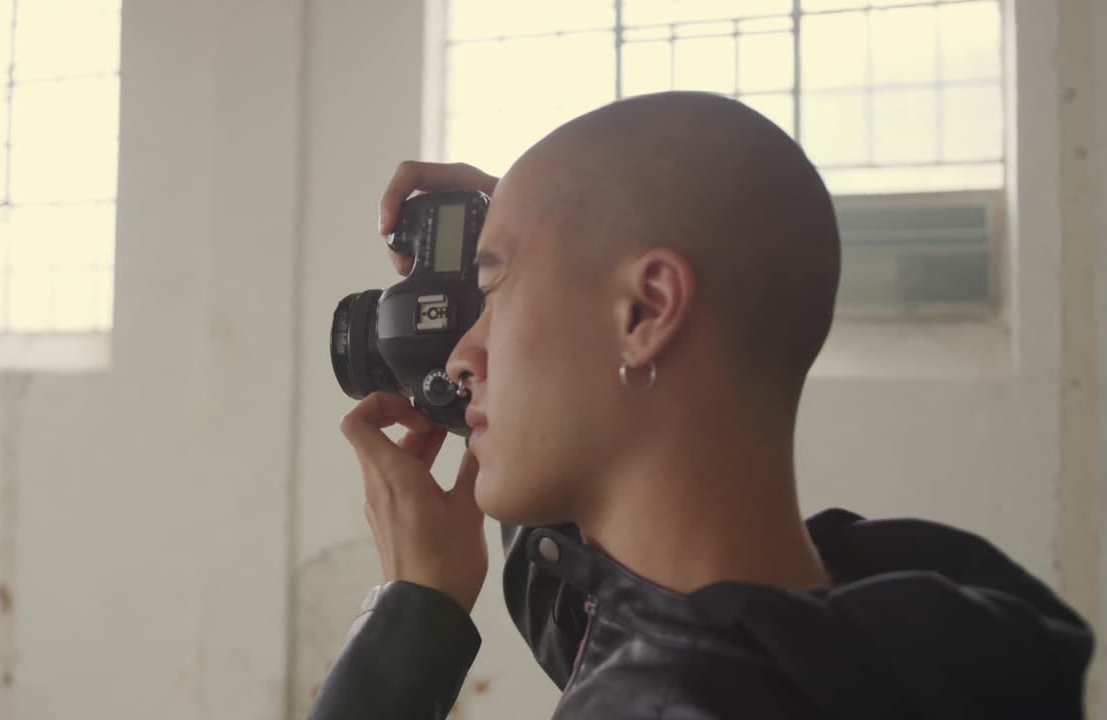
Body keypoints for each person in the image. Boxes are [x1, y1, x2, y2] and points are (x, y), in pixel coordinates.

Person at [306, 92, 1094, 719]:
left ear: (646, 312)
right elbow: (637, 630)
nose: (460, 355)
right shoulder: (920, 627)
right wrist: (533, 243)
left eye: (490, 289)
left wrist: (407, 625)